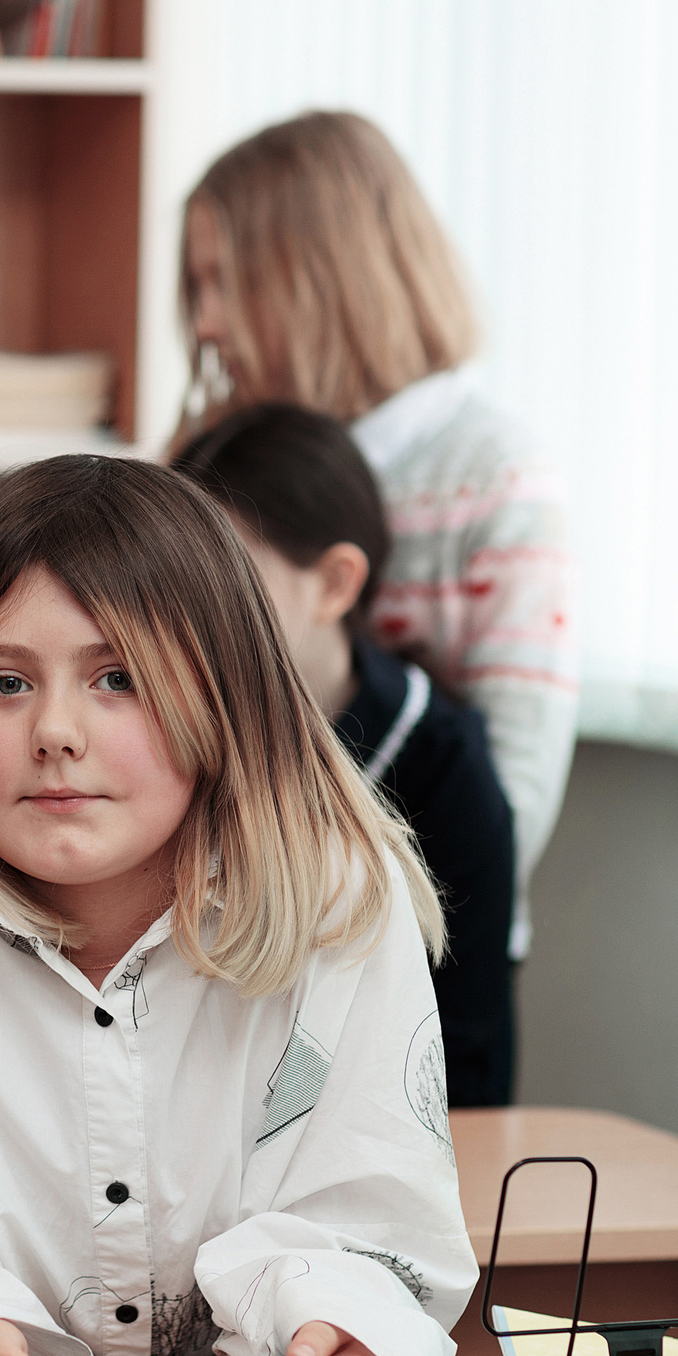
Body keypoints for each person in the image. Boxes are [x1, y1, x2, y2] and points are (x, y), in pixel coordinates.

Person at [0, 454, 478, 1356]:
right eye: (2, 684)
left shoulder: (340, 895)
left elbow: (370, 1211)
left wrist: (348, 1355)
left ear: (227, 694)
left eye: (118, 678)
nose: (55, 733)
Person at [177, 109, 577, 967]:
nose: (204, 324)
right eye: (196, 290)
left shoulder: (495, 478)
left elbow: (513, 797)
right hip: (221, 940)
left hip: (418, 949)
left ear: (324, 277)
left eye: (225, 284)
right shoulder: (210, 460)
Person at [175, 402, 516, 1105]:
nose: (188, 612)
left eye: (227, 577)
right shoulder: (165, 732)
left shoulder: (446, 767)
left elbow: (465, 1063)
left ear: (335, 582)